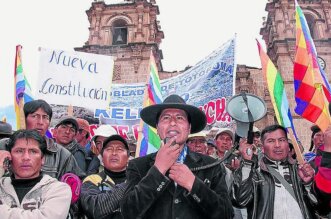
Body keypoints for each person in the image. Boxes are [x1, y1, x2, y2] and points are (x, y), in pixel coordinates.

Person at [121, 94, 233, 219]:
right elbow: (128, 212)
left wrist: (193, 184)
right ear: (157, 128)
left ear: (189, 128)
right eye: (166, 118)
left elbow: (226, 214)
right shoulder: (137, 166)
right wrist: (158, 170)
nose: (173, 122)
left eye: (180, 118)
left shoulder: (211, 166)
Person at [233, 124, 321, 219]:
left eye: (282, 140)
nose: (277, 145)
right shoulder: (255, 174)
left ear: (288, 145)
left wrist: (308, 184)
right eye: (271, 141)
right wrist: (246, 163)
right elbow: (240, 201)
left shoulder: (302, 171)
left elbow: (321, 208)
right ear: (262, 147)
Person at [0, 99, 84, 180]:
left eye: (45, 117)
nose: (40, 122)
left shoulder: (62, 155)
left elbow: (78, 183)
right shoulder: (5, 145)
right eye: (34, 116)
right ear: (24, 119)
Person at [0, 129, 71, 219]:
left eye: (33, 151)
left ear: (42, 159)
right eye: (19, 151)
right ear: (9, 156)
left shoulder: (58, 189)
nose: (26, 157)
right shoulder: (1, 186)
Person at [80, 133, 129, 219]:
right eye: (109, 149)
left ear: (128, 157)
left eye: (120, 149)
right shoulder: (92, 180)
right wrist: (129, 184)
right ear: (102, 157)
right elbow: (94, 209)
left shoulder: (140, 181)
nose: (114, 153)